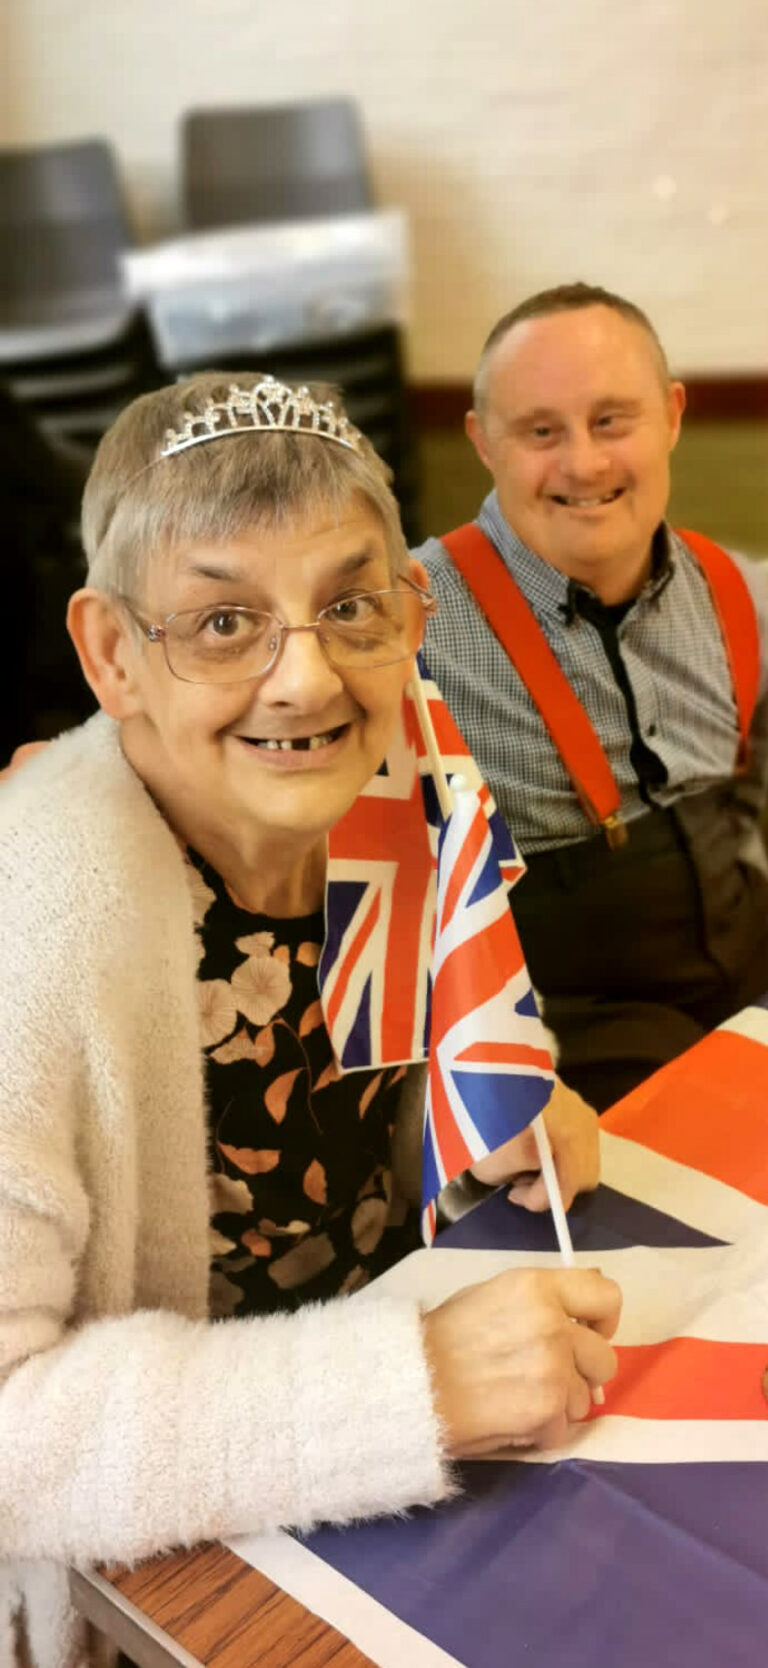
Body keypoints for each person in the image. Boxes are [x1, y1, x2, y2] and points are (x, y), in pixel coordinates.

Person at [0, 372, 618, 1667]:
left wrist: (476, 1118)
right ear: (112, 654)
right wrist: (415, 1383)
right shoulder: (33, 921)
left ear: (412, 609)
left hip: (409, 1505)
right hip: (166, 1581)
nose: (306, 679)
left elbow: (359, 1125)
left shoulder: (397, 794)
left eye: (349, 606)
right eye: (224, 622)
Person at [416, 282, 768, 1110]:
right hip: (571, 1029)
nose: (584, 464)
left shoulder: (740, 591)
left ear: (672, 416)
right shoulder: (406, 623)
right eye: (541, 432)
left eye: (612, 421)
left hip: (747, 968)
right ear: (482, 442)